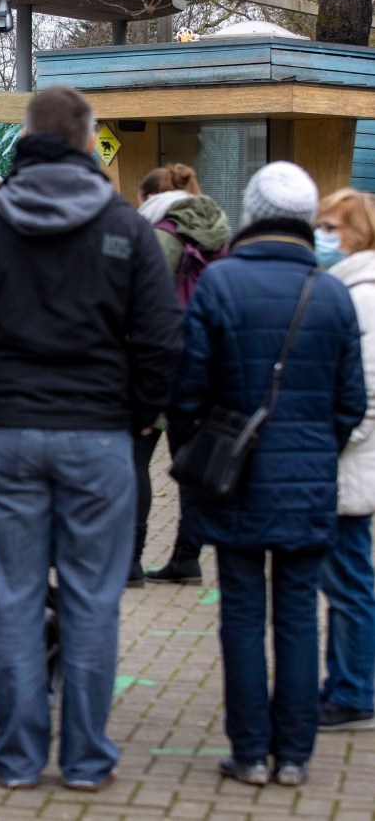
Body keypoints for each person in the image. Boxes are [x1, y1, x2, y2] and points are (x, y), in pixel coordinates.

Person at [0, 86, 183, 790]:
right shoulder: (125, 227)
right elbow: (162, 339)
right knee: (94, 599)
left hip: (5, 434)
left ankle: (16, 757)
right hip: (98, 436)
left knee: (8, 597)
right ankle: (88, 759)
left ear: (27, 138)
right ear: (89, 140)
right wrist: (134, 415)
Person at [169, 162, 366, 786]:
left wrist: (208, 447)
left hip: (234, 483)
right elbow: (350, 402)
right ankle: (297, 757)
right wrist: (314, 451)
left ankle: (250, 752)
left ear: (252, 212)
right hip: (308, 485)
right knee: (300, 617)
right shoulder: (331, 291)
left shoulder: (220, 284)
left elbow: (188, 388)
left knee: (243, 617)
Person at [137, 164, 231, 586]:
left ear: (151, 198)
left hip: (161, 363)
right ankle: (186, 558)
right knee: (190, 465)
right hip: (205, 361)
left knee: (135, 460)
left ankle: (129, 560)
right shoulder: (218, 230)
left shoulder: (160, 234)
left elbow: (145, 307)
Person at [314, 189, 375, 732]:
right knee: (348, 579)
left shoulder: (362, 295)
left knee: (351, 581)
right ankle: (348, 682)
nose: (322, 236)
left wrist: (328, 443)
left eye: (331, 227)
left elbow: (366, 396)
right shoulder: (351, 287)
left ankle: (355, 690)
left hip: (350, 466)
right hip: (349, 461)